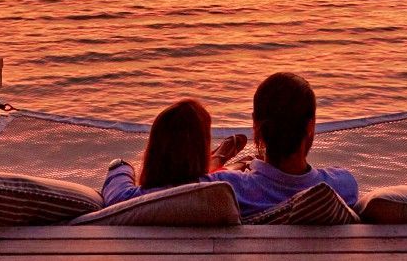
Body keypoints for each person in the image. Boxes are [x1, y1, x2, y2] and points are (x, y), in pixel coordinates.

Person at [208, 72, 359, 214]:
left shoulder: (230, 189)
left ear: (256, 124)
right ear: (310, 126)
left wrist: (216, 160)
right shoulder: (343, 186)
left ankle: (223, 159)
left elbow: (191, 185)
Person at [102, 98, 246, 205]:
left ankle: (214, 161)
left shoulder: (133, 200)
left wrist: (122, 165)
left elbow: (116, 175)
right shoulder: (224, 187)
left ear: (153, 152)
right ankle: (214, 162)